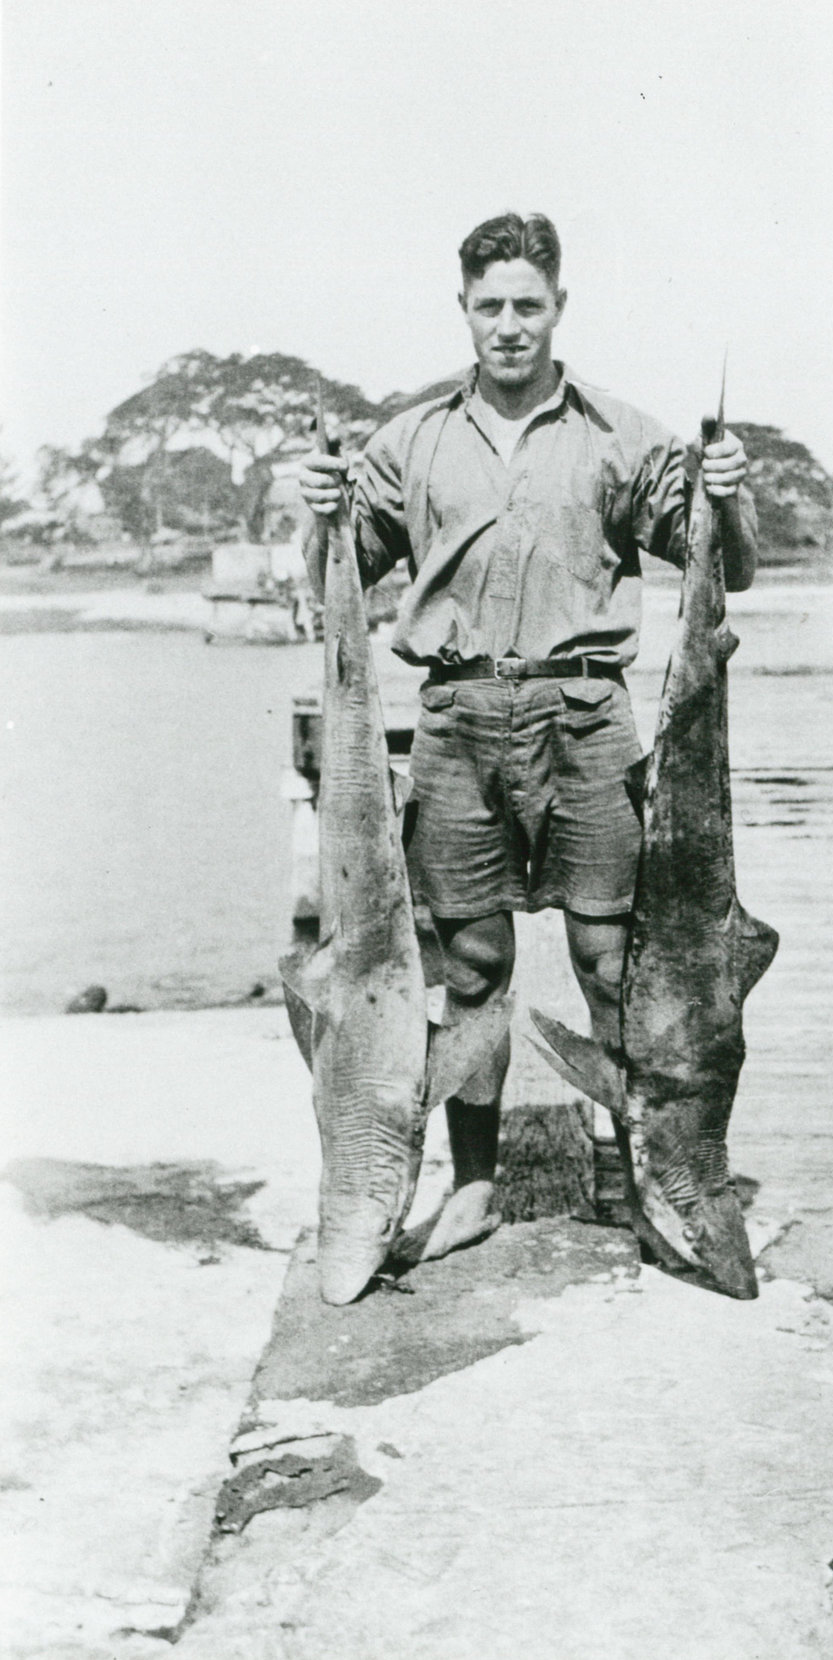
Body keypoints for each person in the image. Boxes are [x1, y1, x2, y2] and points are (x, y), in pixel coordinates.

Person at [299, 211, 757, 1261]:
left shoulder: (621, 435)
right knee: (471, 958)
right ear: (463, 310)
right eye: (490, 306)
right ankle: (474, 1183)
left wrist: (730, 501)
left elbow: (720, 564)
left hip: (587, 715)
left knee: (612, 956)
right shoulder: (406, 442)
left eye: (528, 306)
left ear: (558, 308)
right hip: (457, 720)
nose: (509, 325)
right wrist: (316, 516)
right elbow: (330, 581)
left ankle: (631, 1166)